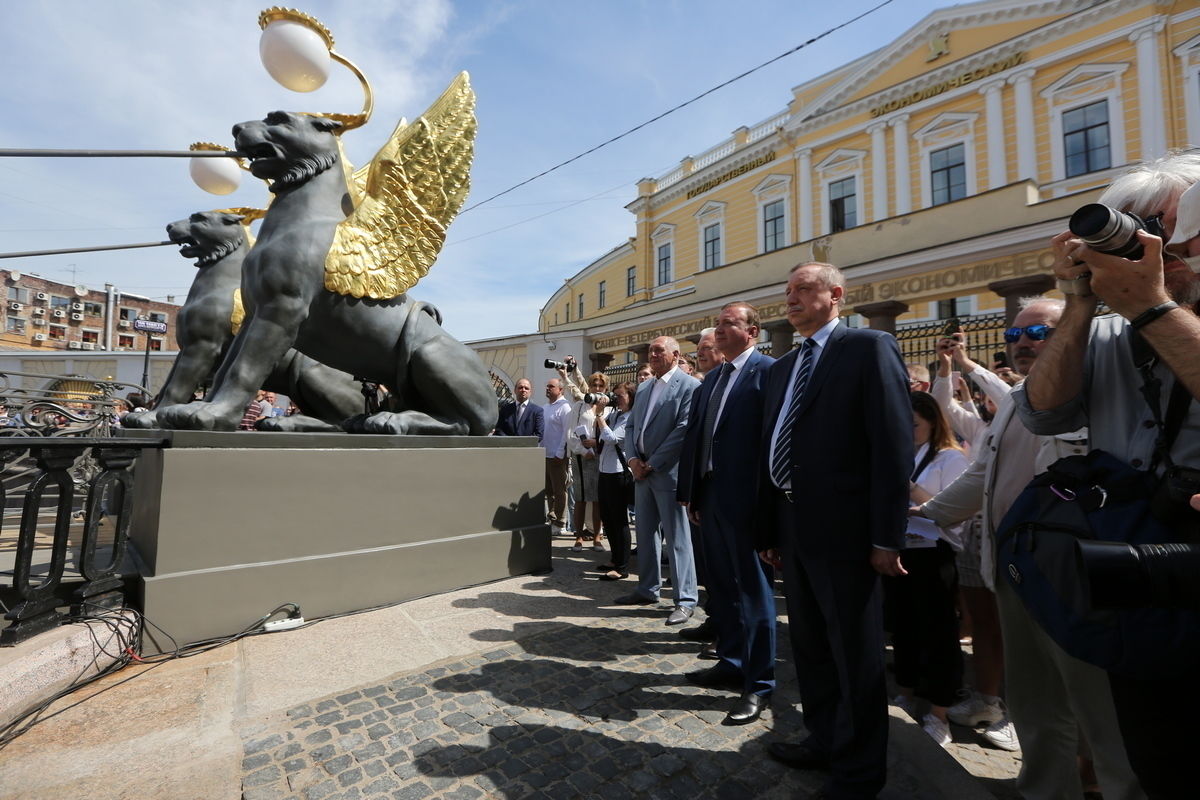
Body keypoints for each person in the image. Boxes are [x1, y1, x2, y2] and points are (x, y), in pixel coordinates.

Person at [1016, 152, 1200, 799]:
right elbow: (1041, 412)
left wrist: (1153, 307)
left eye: (1165, 227)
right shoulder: (1105, 333)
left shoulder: (1161, 313)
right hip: (1143, 579)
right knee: (1160, 759)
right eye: (1135, 227)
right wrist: (1077, 303)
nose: (1147, 244)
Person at [915, 298, 1138, 800]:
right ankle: (1043, 790)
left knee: (1101, 711)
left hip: (1078, 577)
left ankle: (1108, 786)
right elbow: (981, 475)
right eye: (1014, 336)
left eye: (1039, 331)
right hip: (1015, 572)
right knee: (1036, 703)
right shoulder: (1016, 401)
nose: (1023, 343)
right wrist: (928, 513)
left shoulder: (1102, 389)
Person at [757, 262, 912, 799]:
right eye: (788, 291)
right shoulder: (782, 367)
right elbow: (772, 454)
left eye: (803, 289)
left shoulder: (866, 348)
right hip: (794, 528)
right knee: (811, 647)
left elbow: (892, 446)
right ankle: (823, 739)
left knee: (855, 656)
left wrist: (887, 537)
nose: (792, 299)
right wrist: (771, 532)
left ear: (835, 295)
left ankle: (860, 772)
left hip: (848, 535)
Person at [676, 301, 776, 726]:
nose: (718, 330)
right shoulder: (712, 379)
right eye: (716, 323)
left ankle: (758, 684)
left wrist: (771, 508)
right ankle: (730, 662)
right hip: (711, 499)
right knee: (721, 586)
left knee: (754, 592)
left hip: (749, 503)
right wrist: (692, 494)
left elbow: (775, 442)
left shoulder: (770, 373)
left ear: (751, 331)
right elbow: (696, 439)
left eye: (728, 323)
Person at [929, 333, 1011, 743]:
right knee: (982, 622)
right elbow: (941, 409)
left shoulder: (1025, 413)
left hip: (1013, 532)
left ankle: (1016, 713)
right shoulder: (981, 428)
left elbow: (1009, 395)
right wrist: (945, 367)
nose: (991, 398)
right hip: (976, 529)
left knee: (1017, 626)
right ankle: (988, 699)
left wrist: (967, 363)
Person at [889, 391, 968, 747]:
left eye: (915, 424)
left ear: (933, 421)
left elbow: (952, 508)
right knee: (902, 627)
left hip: (934, 553)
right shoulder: (903, 453)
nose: (909, 430)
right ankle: (905, 691)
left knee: (939, 633)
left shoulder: (950, 458)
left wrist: (910, 491)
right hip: (901, 550)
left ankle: (940, 712)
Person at [617, 335, 700, 625]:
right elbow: (630, 428)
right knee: (646, 533)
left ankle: (685, 599)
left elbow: (683, 430)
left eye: (658, 350)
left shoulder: (690, 386)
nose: (652, 355)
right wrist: (632, 461)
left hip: (668, 474)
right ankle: (647, 588)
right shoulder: (643, 388)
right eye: (651, 350)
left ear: (676, 355)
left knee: (677, 538)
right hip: (641, 473)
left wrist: (651, 463)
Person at [594, 382, 636, 580]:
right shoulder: (616, 414)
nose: (616, 399)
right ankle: (614, 558)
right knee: (607, 517)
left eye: (621, 396)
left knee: (619, 520)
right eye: (616, 395)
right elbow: (599, 436)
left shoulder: (630, 418)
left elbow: (611, 438)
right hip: (605, 470)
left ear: (631, 397)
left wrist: (599, 415)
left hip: (619, 473)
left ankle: (622, 566)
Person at [567, 371, 611, 552]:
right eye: (595, 385)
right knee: (581, 498)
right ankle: (578, 535)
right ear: (590, 387)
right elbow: (570, 433)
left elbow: (611, 433)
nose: (598, 389)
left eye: (601, 386)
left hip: (601, 455)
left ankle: (597, 536)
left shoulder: (609, 408)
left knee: (598, 498)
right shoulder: (579, 406)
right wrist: (583, 450)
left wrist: (597, 443)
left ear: (606, 388)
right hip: (582, 457)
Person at [542, 377, 573, 535]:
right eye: (547, 386)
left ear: (561, 390)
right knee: (548, 490)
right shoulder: (546, 407)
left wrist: (560, 453)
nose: (548, 388)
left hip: (557, 456)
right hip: (545, 455)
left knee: (560, 490)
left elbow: (566, 433)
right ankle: (552, 517)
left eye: (551, 386)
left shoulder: (565, 407)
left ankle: (560, 521)